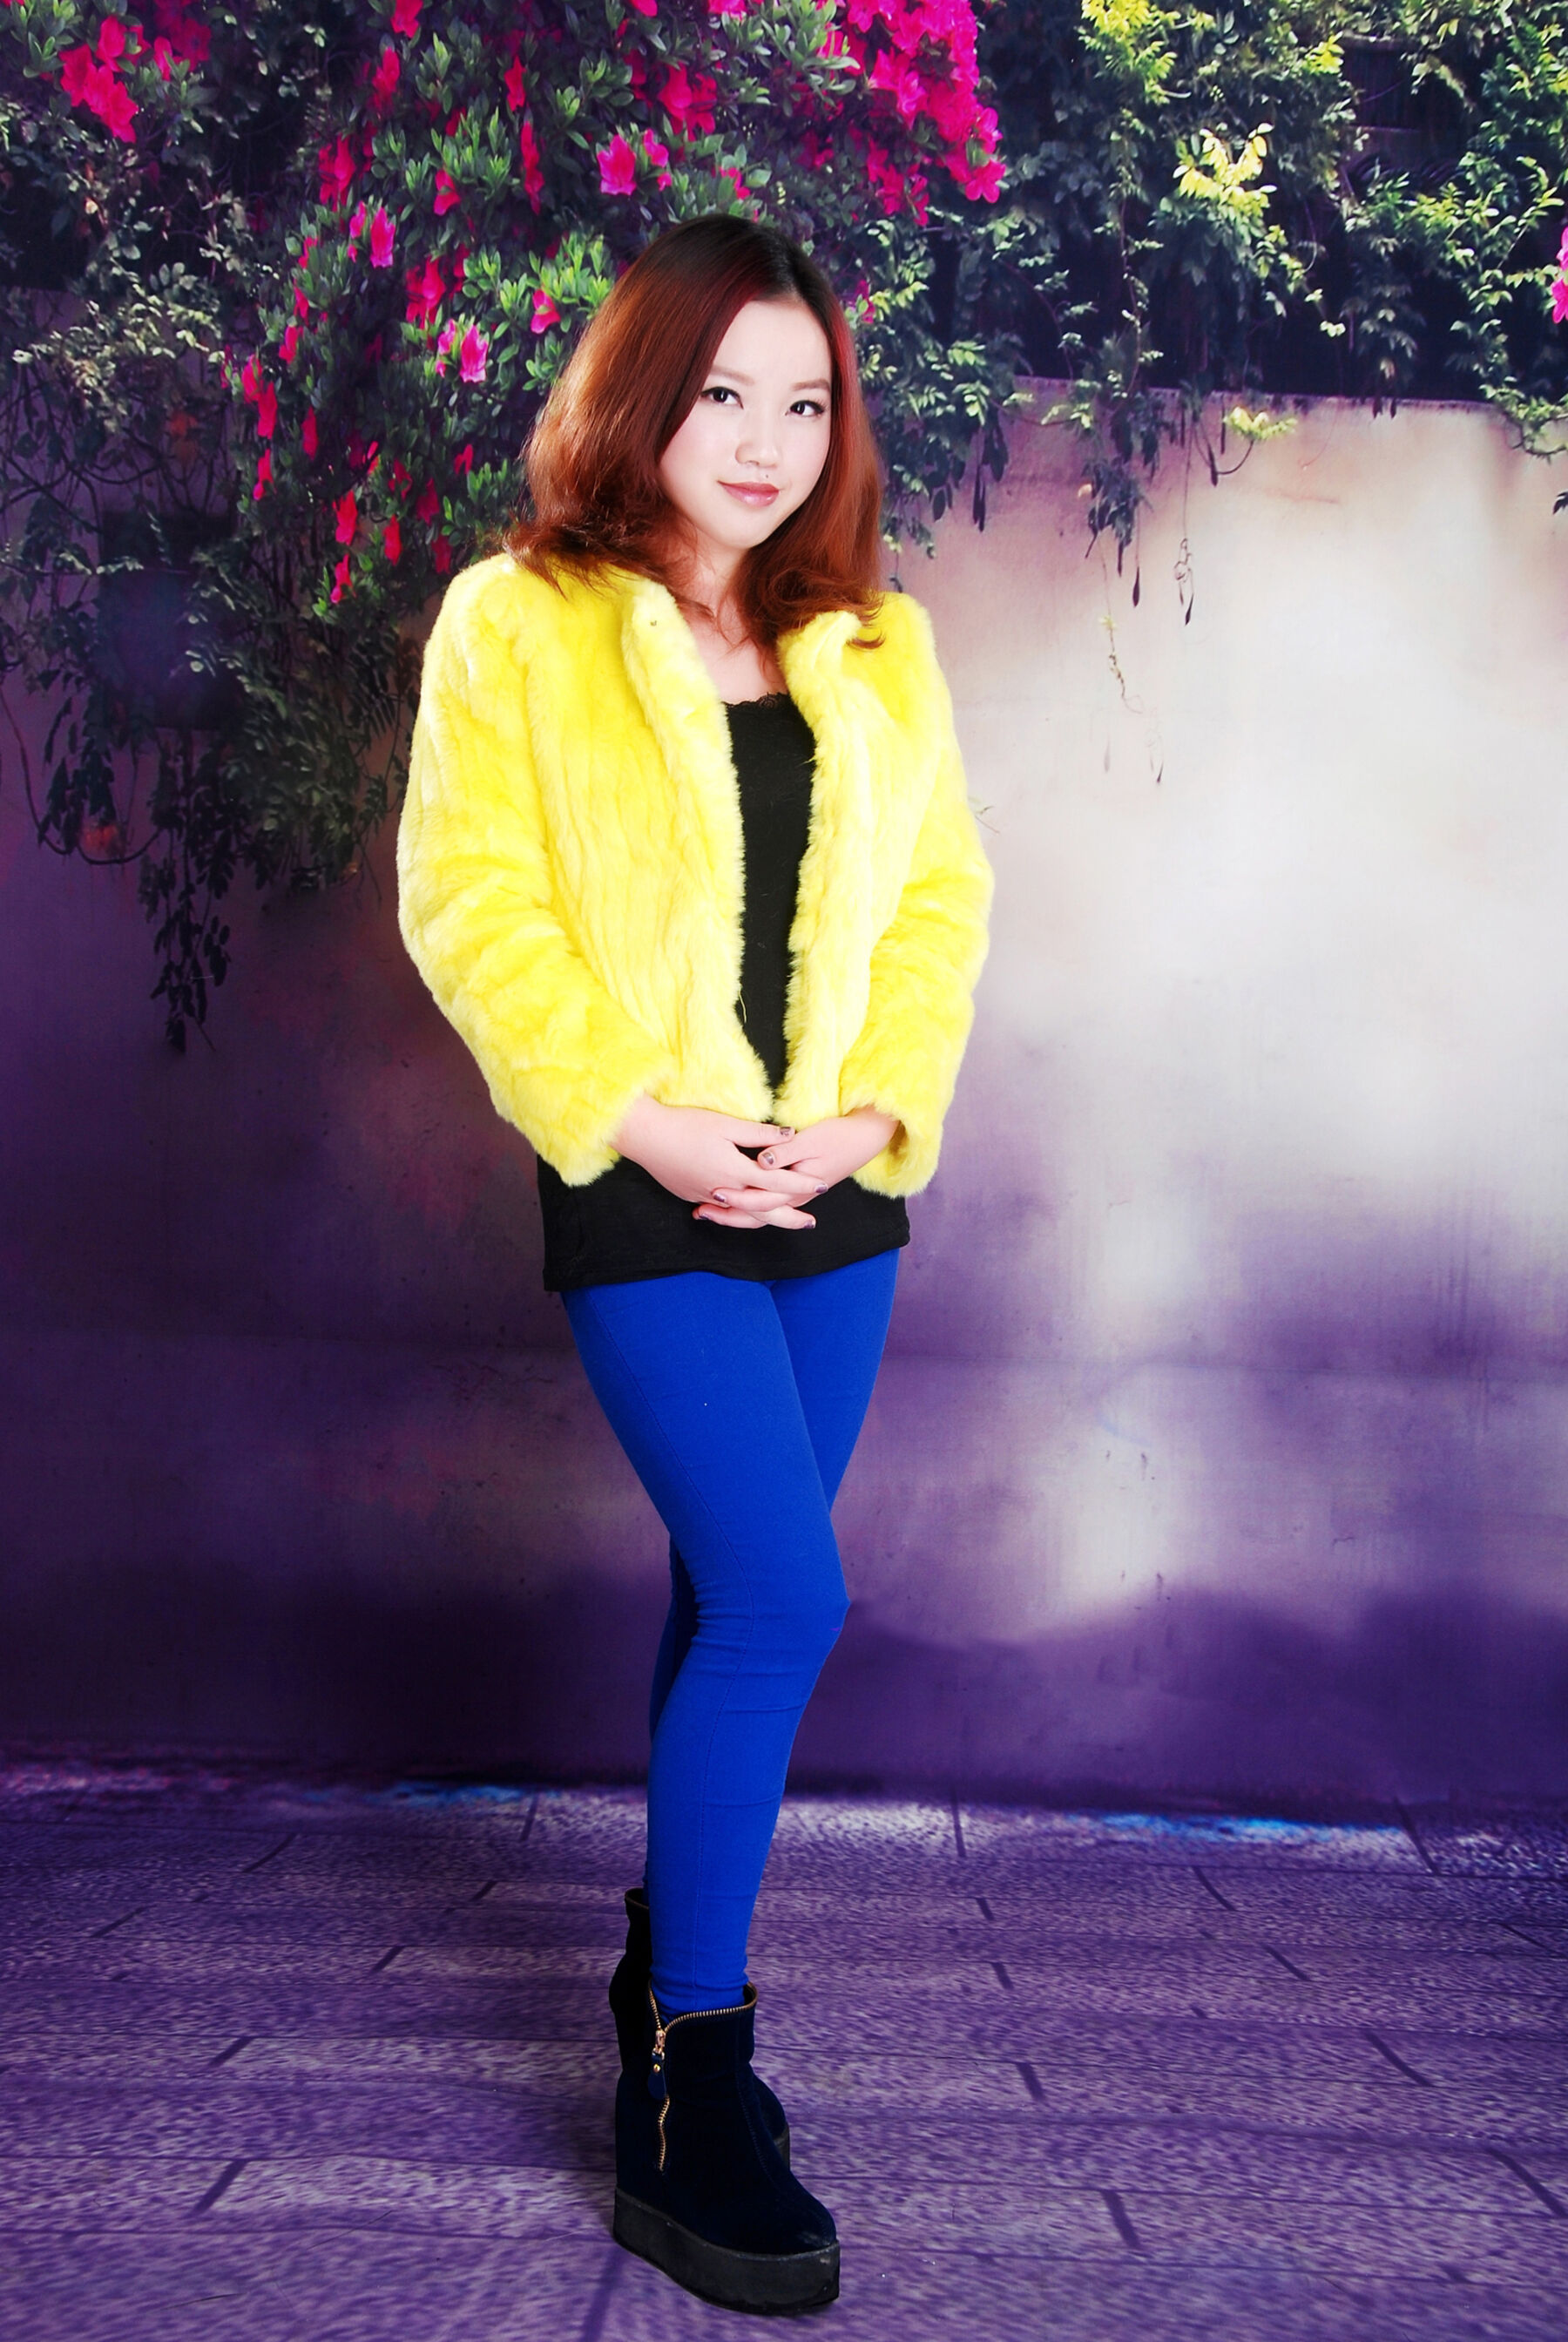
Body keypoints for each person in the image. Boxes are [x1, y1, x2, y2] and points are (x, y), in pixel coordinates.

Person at [397, 213, 992, 2316]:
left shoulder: (878, 641)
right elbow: (470, 899)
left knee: (720, 1589)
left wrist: (864, 1120)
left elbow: (939, 906)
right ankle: (698, 2077)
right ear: (643, 395)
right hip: (640, 1167)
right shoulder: (516, 621)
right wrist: (640, 1120)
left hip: (833, 1182)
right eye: (724, 392)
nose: (764, 440)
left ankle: (665, 1975)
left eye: (804, 402)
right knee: (783, 1594)